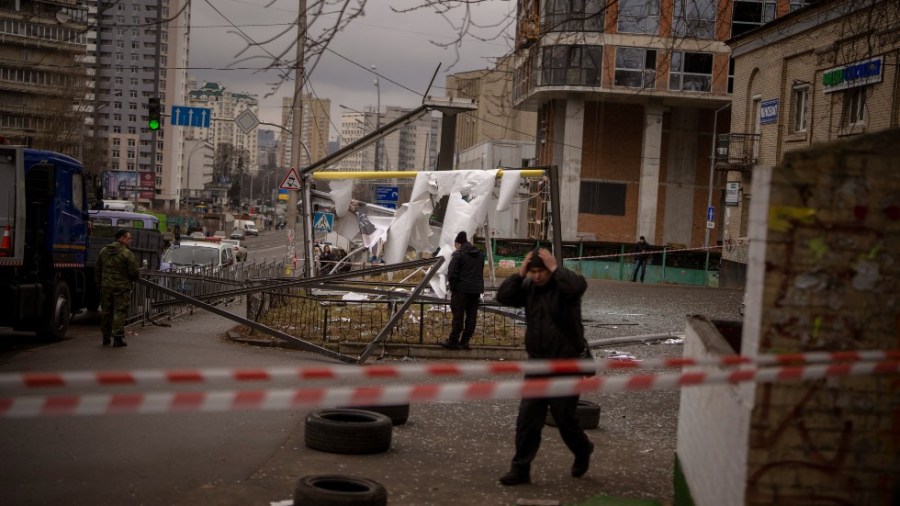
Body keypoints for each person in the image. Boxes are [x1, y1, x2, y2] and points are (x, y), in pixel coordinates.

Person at [495, 247, 594, 486]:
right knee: (527, 419)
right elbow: (503, 297)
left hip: (565, 364)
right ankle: (520, 469)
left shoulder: (564, 287)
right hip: (537, 364)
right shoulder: (528, 287)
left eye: (542, 271)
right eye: (534, 271)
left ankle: (583, 449)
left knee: (564, 418)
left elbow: (578, 286)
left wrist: (555, 268)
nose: (538, 276)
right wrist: (520, 275)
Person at [439, 231, 484, 350]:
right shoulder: (480, 254)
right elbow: (480, 272)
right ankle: (465, 341)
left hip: (461, 291)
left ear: (458, 244)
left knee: (458, 316)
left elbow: (452, 273)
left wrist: (453, 288)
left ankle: (453, 341)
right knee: (471, 316)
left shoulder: (458, 254)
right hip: (475, 291)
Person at [96, 229, 140, 347]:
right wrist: (132, 279)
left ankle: (105, 337)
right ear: (121, 238)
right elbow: (134, 272)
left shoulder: (103, 251)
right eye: (128, 238)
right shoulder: (127, 253)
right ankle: (117, 338)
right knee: (119, 311)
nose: (130, 240)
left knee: (106, 311)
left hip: (106, 287)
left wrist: (99, 283)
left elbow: (98, 269)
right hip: (122, 287)